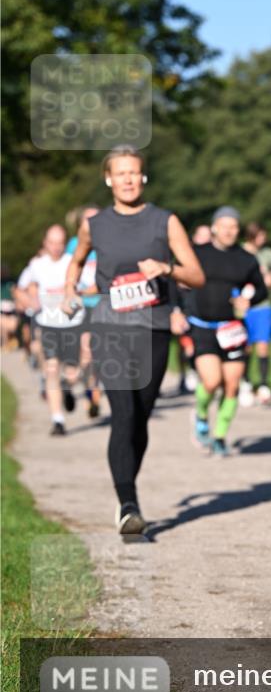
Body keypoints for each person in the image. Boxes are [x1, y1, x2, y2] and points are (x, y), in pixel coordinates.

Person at [64, 146, 204, 535]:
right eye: (120, 173)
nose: (127, 179)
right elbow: (77, 260)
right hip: (109, 326)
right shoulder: (94, 225)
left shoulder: (165, 221)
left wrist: (166, 268)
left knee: (139, 417)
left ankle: (127, 489)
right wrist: (69, 287)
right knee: (123, 413)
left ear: (143, 177)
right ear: (108, 179)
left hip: (153, 327)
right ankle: (128, 503)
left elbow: (196, 275)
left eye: (133, 172)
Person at [186, 207, 268, 456]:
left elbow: (262, 290)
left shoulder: (246, 259)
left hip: (232, 329)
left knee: (232, 385)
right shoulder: (197, 253)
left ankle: (220, 435)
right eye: (224, 226)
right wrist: (178, 310)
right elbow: (178, 280)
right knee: (212, 381)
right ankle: (201, 415)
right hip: (203, 326)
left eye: (233, 226)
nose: (229, 231)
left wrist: (249, 300)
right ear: (214, 227)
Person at [20, 224, 86, 434]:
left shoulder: (72, 262)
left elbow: (86, 287)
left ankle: (68, 387)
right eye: (52, 243)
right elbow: (22, 287)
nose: (56, 247)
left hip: (72, 323)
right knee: (51, 369)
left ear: (65, 244)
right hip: (48, 324)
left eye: (60, 243)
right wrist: (31, 299)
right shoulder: (36, 265)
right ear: (45, 243)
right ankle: (58, 420)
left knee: (72, 373)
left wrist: (73, 296)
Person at [66, 204, 102, 417]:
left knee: (97, 355)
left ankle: (91, 395)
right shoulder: (73, 244)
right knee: (87, 352)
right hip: (83, 305)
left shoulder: (108, 241)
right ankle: (84, 391)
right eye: (89, 220)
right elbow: (69, 271)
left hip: (104, 304)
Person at [242, 221, 271, 405]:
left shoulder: (268, 254)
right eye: (261, 235)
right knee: (245, 346)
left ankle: (264, 385)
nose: (264, 238)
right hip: (243, 308)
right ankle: (245, 382)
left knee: (263, 345)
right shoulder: (239, 253)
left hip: (263, 306)